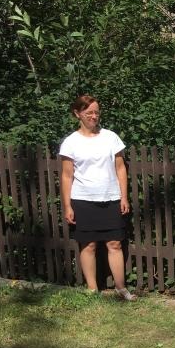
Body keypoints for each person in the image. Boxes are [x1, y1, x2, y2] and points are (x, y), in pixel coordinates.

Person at [60, 95, 137, 301]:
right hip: (83, 200)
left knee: (115, 244)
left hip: (110, 198)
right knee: (88, 244)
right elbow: (67, 176)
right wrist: (67, 205)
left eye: (96, 112)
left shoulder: (110, 137)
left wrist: (123, 197)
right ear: (78, 114)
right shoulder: (71, 142)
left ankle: (121, 288)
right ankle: (92, 289)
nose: (94, 116)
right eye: (89, 113)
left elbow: (121, 168)